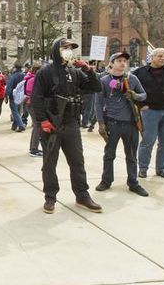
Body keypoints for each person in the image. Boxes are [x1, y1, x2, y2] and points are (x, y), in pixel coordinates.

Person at [30, 38, 103, 214]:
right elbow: (36, 98)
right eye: (65, 47)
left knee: (77, 161)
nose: (69, 50)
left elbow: (95, 87)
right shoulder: (45, 72)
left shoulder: (75, 72)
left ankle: (82, 195)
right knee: (49, 163)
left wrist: (88, 69)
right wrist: (42, 120)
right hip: (52, 125)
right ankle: (50, 197)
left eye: (71, 48)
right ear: (57, 50)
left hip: (71, 124)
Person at [94, 52, 148, 196]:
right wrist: (100, 124)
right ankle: (106, 180)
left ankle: (133, 182)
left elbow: (144, 94)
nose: (123, 63)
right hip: (112, 122)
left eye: (124, 61)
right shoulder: (104, 80)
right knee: (109, 154)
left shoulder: (132, 79)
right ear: (111, 63)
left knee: (131, 156)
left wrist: (135, 95)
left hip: (130, 124)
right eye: (119, 60)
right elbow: (98, 103)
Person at [133, 48, 164, 179]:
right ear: (152, 57)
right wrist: (141, 105)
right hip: (150, 112)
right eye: (160, 56)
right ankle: (143, 168)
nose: (162, 58)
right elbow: (131, 90)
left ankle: (161, 169)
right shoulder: (139, 73)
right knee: (148, 141)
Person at [25, 63, 44, 157]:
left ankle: (33, 148)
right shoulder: (34, 80)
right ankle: (34, 149)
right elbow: (33, 92)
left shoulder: (30, 78)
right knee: (37, 126)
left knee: (37, 126)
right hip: (33, 104)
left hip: (31, 104)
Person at [6, 64, 26, 132]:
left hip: (13, 96)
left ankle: (21, 125)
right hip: (22, 96)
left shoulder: (13, 76)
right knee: (18, 111)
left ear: (15, 68)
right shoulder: (24, 75)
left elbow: (9, 87)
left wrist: (7, 94)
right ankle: (14, 126)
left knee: (14, 111)